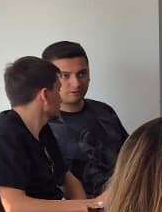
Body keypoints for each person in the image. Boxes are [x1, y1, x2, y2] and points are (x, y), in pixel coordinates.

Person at [0, 56, 98, 212]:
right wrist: (91, 205)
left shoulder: (43, 130)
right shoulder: (3, 138)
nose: (60, 98)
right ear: (45, 95)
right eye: (57, 90)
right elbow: (16, 208)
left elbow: (68, 180)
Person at [41, 40, 129, 197]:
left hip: (124, 202)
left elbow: (132, 158)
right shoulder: (40, 126)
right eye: (65, 76)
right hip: (73, 209)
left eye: (82, 73)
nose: (76, 83)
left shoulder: (104, 112)